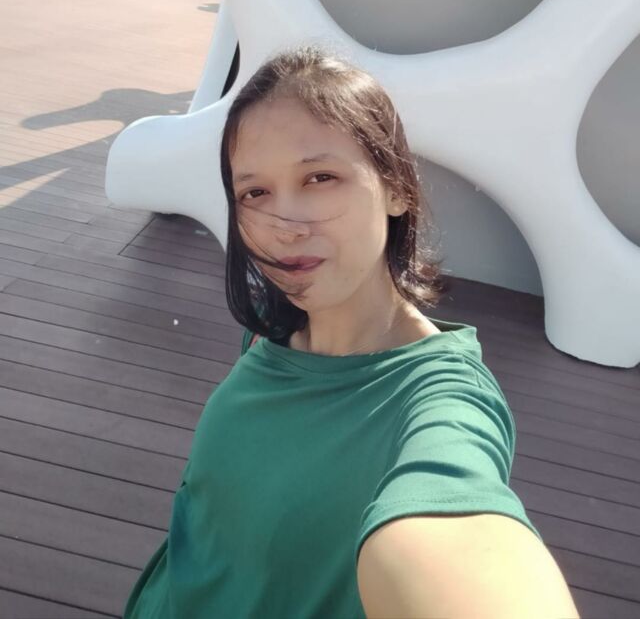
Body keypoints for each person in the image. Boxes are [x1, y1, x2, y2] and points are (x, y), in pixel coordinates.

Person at [123, 47, 579, 618]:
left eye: (321, 177)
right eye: (255, 192)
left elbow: (458, 530)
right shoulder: (276, 331)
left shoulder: (440, 401)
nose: (285, 225)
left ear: (396, 187)